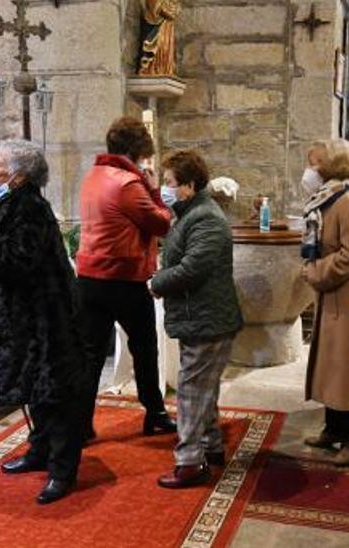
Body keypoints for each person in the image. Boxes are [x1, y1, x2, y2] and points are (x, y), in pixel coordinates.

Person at [0, 140, 85, 505]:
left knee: (54, 394)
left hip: (45, 319)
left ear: (16, 175)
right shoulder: (7, 199)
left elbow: (17, 260)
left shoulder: (29, 206)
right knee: (36, 391)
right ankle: (39, 452)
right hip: (23, 320)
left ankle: (63, 470)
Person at [75, 116, 177, 440]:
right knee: (145, 349)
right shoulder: (127, 183)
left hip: (89, 277)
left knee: (90, 355)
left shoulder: (93, 174)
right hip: (123, 277)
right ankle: (155, 414)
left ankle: (81, 423)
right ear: (137, 151)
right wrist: (154, 188)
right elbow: (160, 223)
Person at [150, 150, 243, 489]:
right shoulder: (190, 211)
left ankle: (189, 462)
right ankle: (211, 446)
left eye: (170, 183)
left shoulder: (205, 218)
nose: (165, 188)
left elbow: (194, 268)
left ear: (189, 185)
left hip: (209, 319)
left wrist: (156, 282)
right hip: (201, 316)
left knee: (190, 389)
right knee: (203, 387)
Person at [298, 139, 349, 467]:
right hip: (334, 297)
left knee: (345, 370)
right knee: (331, 366)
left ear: (331, 166)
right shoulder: (332, 196)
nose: (310, 170)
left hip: (347, 298)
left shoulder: (348, 202)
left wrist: (316, 272)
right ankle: (334, 427)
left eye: (315, 164)